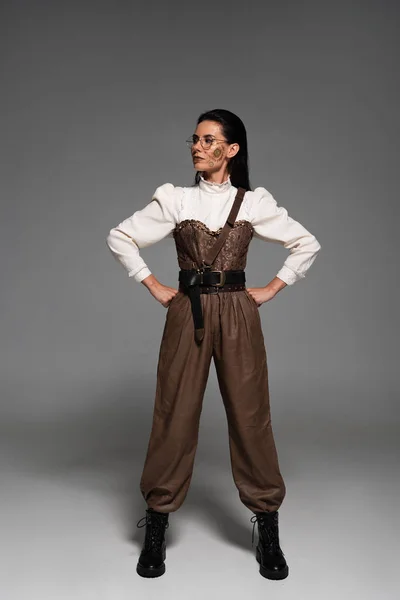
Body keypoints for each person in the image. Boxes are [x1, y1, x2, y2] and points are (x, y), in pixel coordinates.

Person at [106, 108, 321, 580]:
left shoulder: (253, 201)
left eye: (208, 140)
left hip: (239, 312)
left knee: (250, 415)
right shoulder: (176, 199)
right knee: (174, 414)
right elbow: (121, 236)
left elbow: (306, 243)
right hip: (188, 312)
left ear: (232, 149)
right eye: (195, 139)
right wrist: (154, 284)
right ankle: (157, 525)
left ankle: (267, 527)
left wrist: (270, 289)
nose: (197, 146)